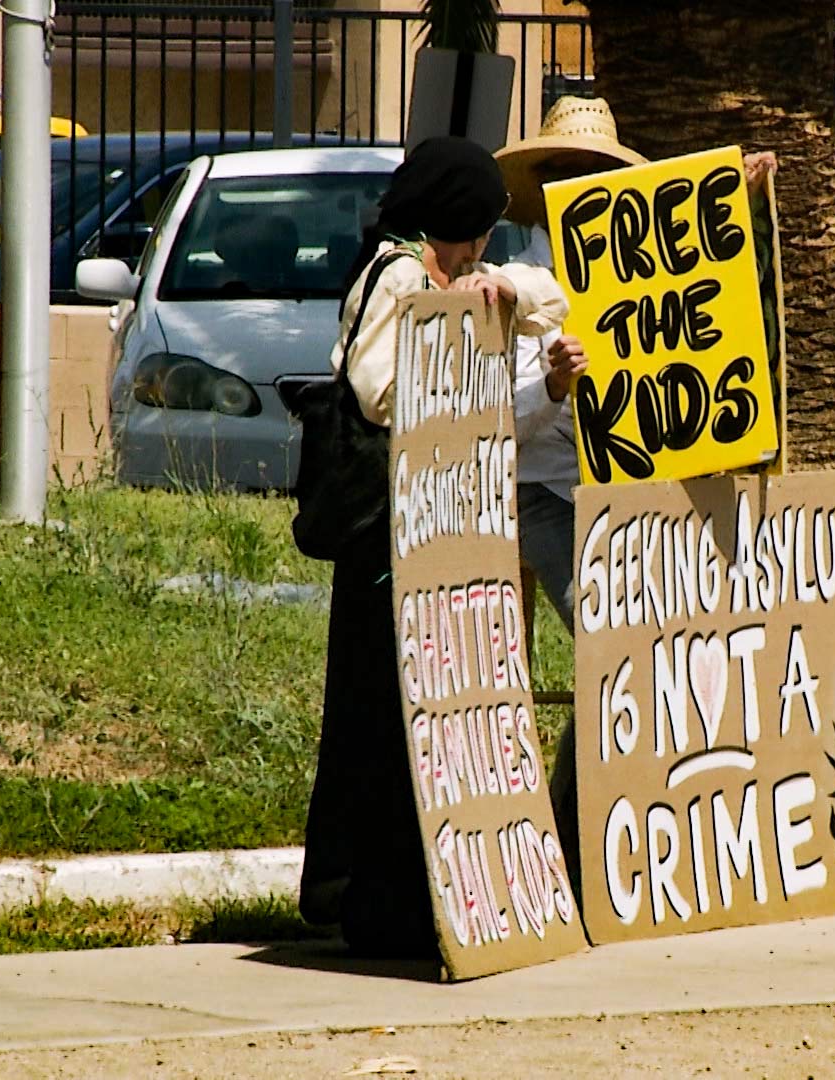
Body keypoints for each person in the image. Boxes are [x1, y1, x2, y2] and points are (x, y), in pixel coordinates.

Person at [299, 135, 575, 960]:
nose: (476, 253)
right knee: (383, 718)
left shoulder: (436, 275)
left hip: (423, 531)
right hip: (383, 538)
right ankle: (374, 902)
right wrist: (450, 319)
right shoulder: (399, 279)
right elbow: (382, 393)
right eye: (472, 236)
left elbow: (548, 296)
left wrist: (492, 291)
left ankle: (405, 900)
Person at [493, 98, 779, 881]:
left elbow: (709, 309)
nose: (578, 185)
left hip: (630, 501)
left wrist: (744, 205)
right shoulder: (523, 288)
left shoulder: (643, 268)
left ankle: (583, 838)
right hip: (554, 498)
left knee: (639, 664)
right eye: (566, 174)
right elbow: (505, 426)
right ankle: (572, 840)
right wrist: (552, 382)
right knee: (615, 660)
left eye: (590, 173)